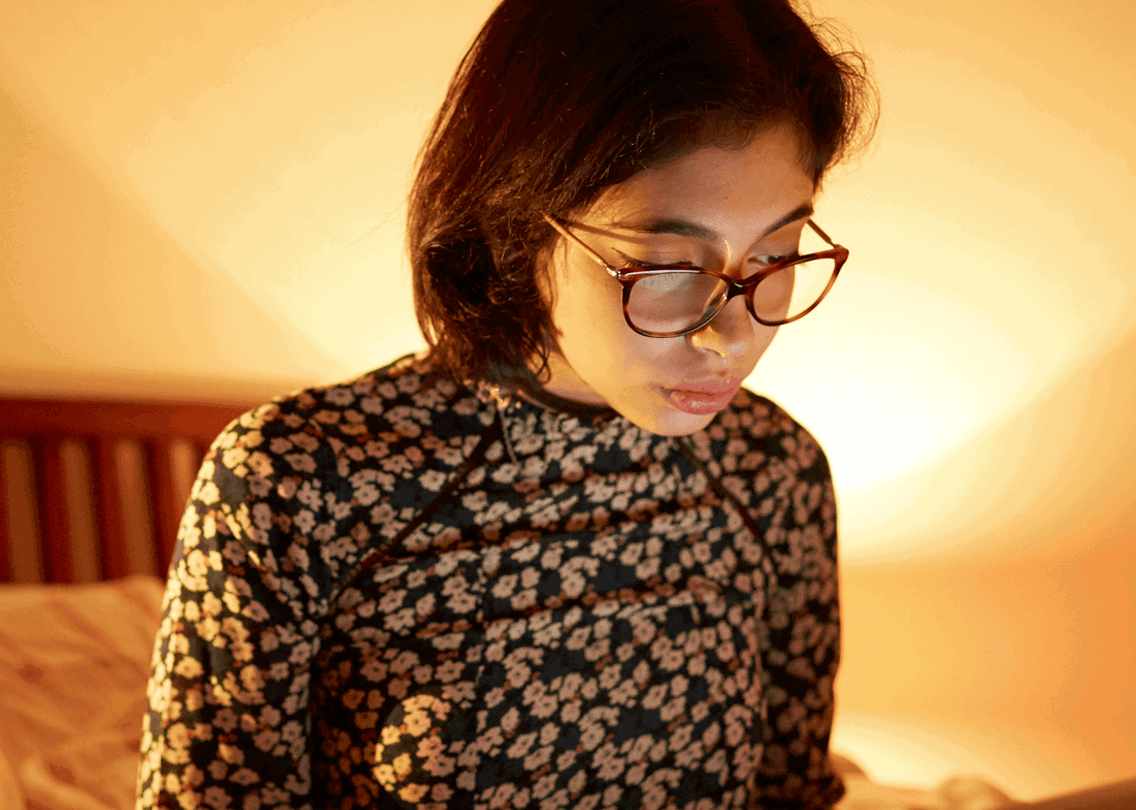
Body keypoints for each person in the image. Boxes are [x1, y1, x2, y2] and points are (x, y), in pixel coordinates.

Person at [137, 0, 873, 807]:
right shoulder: (299, 482)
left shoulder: (773, 470)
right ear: (519, 223)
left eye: (777, 253)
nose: (730, 333)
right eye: (664, 266)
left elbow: (788, 795)